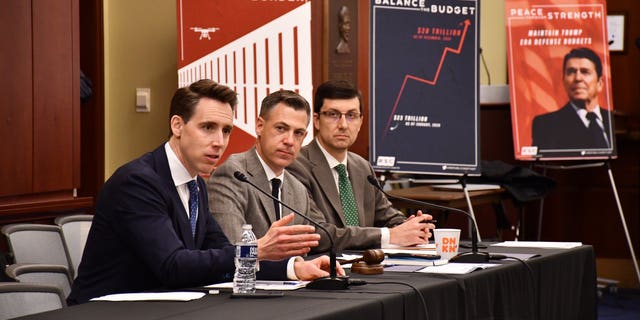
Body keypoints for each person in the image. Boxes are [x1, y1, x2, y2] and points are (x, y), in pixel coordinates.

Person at [68, 80, 341, 305]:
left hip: (161, 306)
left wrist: (293, 268)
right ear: (177, 126)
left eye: (226, 131)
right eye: (208, 127)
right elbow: (172, 264)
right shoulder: (138, 182)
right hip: (105, 310)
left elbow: (222, 253)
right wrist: (256, 249)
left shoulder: (195, 183)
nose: (219, 142)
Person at [287, 80, 435, 250]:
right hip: (327, 268)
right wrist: (390, 235)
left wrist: (410, 226)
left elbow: (387, 216)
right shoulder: (296, 165)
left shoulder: (362, 167)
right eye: (333, 115)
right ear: (317, 120)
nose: (343, 125)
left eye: (351, 115)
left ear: (361, 121)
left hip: (369, 266)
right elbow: (317, 233)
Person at [207, 90, 330, 258]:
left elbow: (299, 254)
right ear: (259, 126)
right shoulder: (233, 174)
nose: (289, 141)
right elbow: (233, 252)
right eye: (281, 128)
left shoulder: (299, 191)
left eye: (298, 133)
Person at [531, 47, 613, 151]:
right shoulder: (546, 125)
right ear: (564, 81)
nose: (578, 78)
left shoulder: (612, 120)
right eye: (571, 72)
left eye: (585, 72)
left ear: (600, 83)